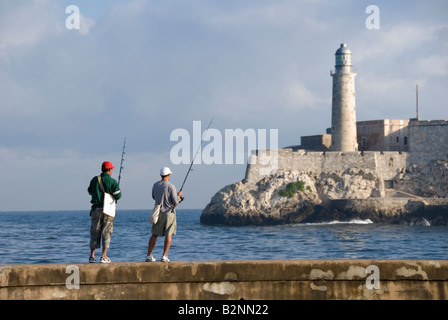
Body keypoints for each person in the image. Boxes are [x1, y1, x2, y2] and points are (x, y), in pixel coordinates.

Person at [87, 161, 122, 263]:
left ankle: (92, 256)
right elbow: (118, 195)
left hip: (96, 209)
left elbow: (90, 191)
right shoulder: (112, 181)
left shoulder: (94, 179)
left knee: (95, 231)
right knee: (106, 231)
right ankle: (103, 256)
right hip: (108, 209)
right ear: (110, 170)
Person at [146, 167, 183, 262]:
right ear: (169, 175)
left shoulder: (155, 185)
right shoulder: (171, 186)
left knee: (154, 234)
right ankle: (164, 256)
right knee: (168, 235)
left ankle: (149, 255)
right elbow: (175, 202)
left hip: (158, 213)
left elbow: (153, 196)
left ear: (161, 175)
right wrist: (180, 196)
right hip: (169, 213)